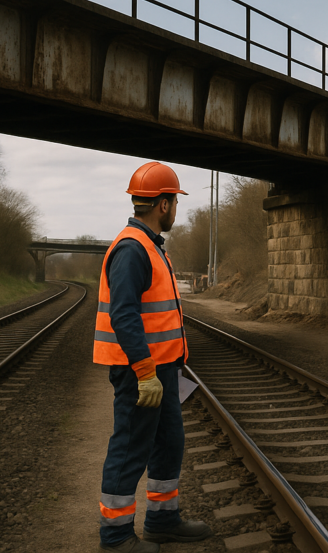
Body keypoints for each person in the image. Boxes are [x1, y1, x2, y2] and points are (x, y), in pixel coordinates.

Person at [93, 162, 212, 553]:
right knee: (130, 447)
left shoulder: (150, 246)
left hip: (162, 369)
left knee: (168, 442)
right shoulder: (132, 249)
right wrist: (145, 372)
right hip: (139, 371)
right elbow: (123, 315)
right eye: (174, 201)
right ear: (163, 204)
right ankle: (115, 536)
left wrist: (161, 369)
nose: (176, 208)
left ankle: (162, 521)